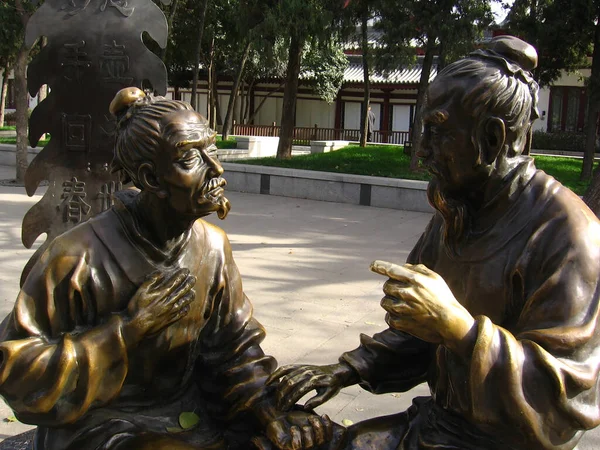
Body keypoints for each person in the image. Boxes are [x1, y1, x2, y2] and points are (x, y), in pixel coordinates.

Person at [267, 36, 600, 450]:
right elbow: (421, 334)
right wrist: (346, 370)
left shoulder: (567, 235)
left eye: (438, 132)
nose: (421, 149)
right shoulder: (460, 209)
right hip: (445, 425)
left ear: (492, 141)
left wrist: (459, 329)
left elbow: (562, 399)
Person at [0, 87, 332, 450]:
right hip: (104, 425)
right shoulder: (75, 257)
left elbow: (234, 353)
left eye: (213, 149)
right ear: (151, 178)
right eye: (191, 158)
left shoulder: (213, 247)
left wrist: (273, 413)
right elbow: (17, 371)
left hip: (191, 412)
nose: (216, 168)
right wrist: (125, 331)